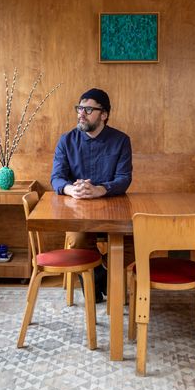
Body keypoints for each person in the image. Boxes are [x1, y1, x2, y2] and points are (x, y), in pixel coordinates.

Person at [51, 88, 133, 302]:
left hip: (114, 210)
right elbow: (56, 178)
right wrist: (72, 190)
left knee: (134, 243)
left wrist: (100, 189)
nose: (81, 113)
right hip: (78, 212)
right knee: (77, 240)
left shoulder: (121, 140)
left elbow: (124, 178)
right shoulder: (66, 140)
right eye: (79, 108)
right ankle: (101, 278)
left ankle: (103, 272)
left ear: (103, 114)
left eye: (88, 109)